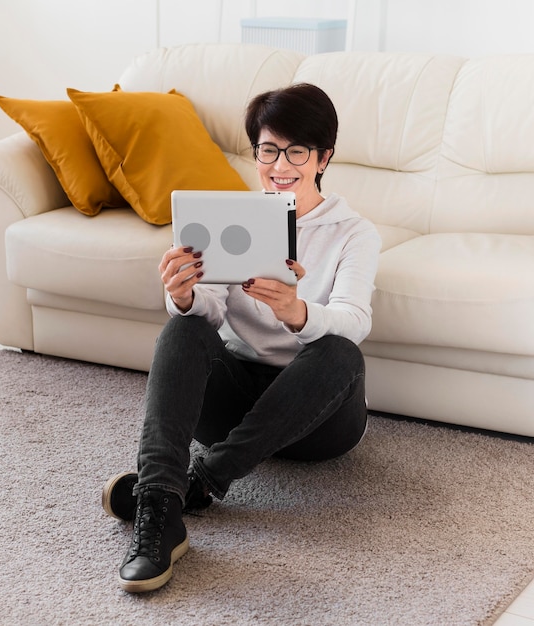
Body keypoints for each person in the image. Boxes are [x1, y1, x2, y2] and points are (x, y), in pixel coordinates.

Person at [101, 83, 382, 594]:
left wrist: (297, 312)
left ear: (324, 158)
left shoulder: (353, 233)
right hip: (236, 396)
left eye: (297, 151)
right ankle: (161, 506)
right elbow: (207, 313)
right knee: (182, 326)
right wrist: (184, 295)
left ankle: (200, 484)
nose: (280, 165)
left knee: (340, 351)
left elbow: (354, 319)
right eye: (268, 150)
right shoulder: (234, 219)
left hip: (317, 419)